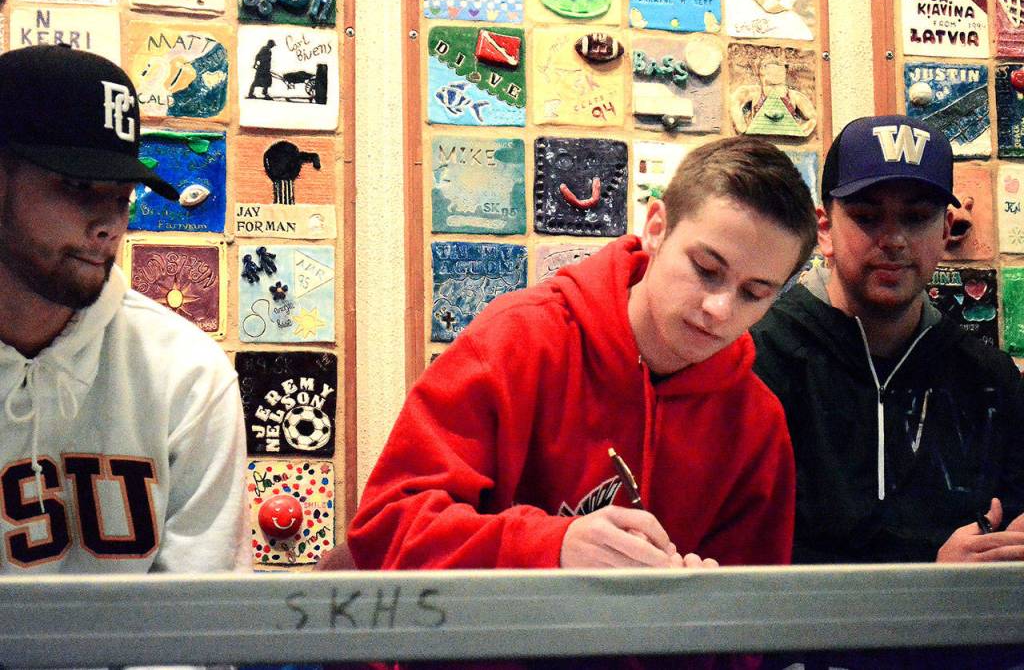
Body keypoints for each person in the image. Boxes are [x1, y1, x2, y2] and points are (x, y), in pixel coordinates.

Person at [348, 135, 817, 579]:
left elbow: (745, 630)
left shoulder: (756, 423)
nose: (720, 308)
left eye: (755, 293)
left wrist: (695, 619)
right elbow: (387, 530)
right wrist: (552, 548)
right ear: (656, 229)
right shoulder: (520, 339)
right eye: (706, 269)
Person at [0, 45, 248, 574]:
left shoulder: (187, 375)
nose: (108, 223)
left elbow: (192, 632)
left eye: (121, 194)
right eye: (77, 186)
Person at [751, 114, 1024, 567]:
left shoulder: (990, 380)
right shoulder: (757, 363)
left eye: (916, 218)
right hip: (791, 637)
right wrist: (931, 587)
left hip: (954, 639)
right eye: (866, 216)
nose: (894, 239)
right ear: (824, 229)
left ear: (945, 230)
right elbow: (732, 563)